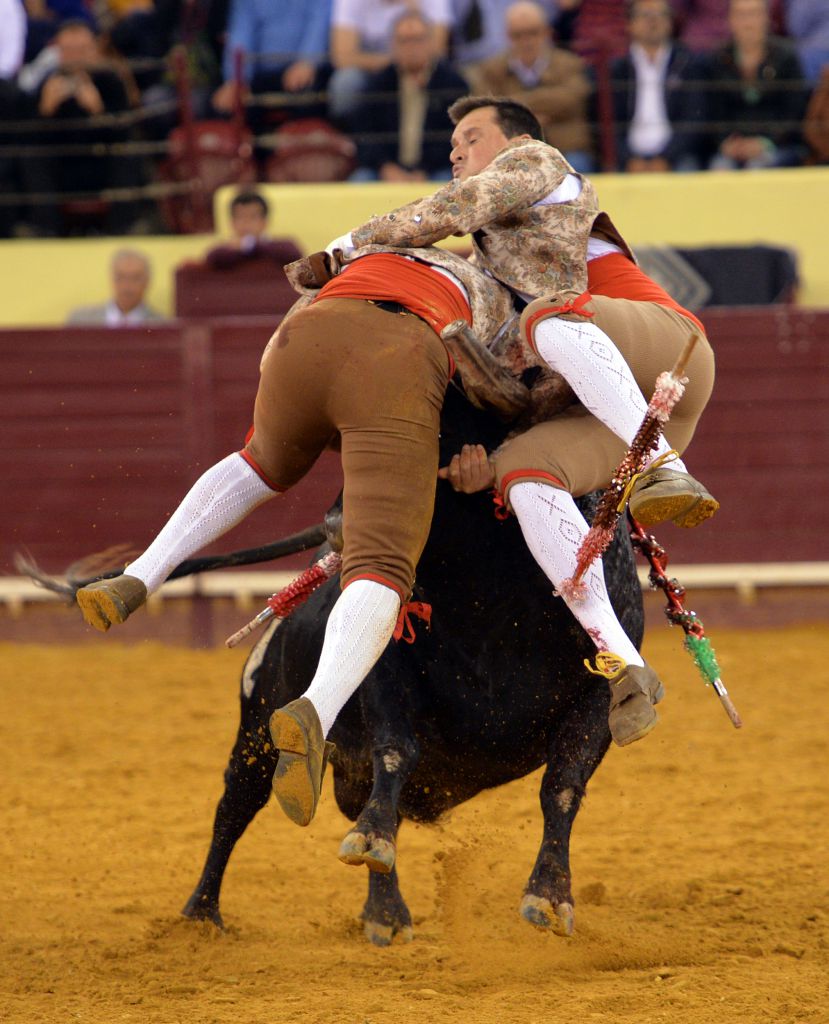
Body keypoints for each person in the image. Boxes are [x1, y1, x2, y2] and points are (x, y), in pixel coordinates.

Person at [75, 240, 517, 828]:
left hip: (301, 338)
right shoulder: (490, 288)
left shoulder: (367, 251)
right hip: (396, 356)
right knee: (382, 562)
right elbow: (498, 388)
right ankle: (316, 707)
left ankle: (140, 574)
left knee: (257, 462)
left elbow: (280, 338)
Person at [327, 95, 717, 747]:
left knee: (547, 315)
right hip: (605, 405)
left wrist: (346, 246)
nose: (455, 152)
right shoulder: (492, 267)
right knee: (525, 475)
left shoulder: (538, 165)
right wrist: (478, 465)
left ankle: (663, 469)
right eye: (450, 144)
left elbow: (450, 210)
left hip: (665, 349)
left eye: (470, 137)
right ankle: (622, 659)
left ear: (512, 141)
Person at [18, 19, 144, 236]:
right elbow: (29, 138)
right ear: (58, 51)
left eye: (81, 50)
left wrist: (98, 112)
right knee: (30, 158)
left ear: (93, 49)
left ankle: (123, 228)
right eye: (69, 50)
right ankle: (45, 230)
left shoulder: (110, 81)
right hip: (61, 167)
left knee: (128, 156)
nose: (76, 57)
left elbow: (124, 133)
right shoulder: (46, 83)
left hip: (99, 164)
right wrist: (45, 111)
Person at [349, 10, 468, 182]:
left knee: (452, 181)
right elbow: (364, 134)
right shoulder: (378, 84)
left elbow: (455, 136)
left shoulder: (452, 84)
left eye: (418, 39)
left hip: (436, 169)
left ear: (430, 43)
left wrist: (424, 171)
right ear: (393, 45)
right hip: (386, 169)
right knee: (360, 181)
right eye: (404, 41)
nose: (411, 47)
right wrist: (386, 167)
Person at [477, 0, 595, 171]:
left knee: (577, 166)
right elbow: (486, 109)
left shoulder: (569, 64)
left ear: (547, 32)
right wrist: (541, 109)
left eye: (533, 33)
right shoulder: (492, 70)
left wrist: (515, 108)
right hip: (510, 155)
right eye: (518, 35)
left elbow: (572, 99)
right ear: (507, 36)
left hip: (565, 149)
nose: (526, 41)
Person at [703, 0, 810, 170]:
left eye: (754, 14)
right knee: (720, 167)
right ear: (730, 20)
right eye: (741, 15)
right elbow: (711, 112)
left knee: (758, 166)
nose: (748, 22)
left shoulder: (786, 58)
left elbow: (794, 113)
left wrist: (765, 142)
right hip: (732, 148)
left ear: (767, 18)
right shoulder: (718, 60)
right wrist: (727, 142)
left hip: (779, 145)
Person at [610, 0, 707, 172]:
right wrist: (628, 159)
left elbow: (693, 118)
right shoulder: (616, 70)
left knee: (690, 169)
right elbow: (608, 124)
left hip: (677, 157)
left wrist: (666, 157)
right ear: (630, 24)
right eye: (645, 15)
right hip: (628, 159)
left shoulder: (686, 64)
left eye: (659, 15)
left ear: (670, 22)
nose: (652, 21)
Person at [328, 0, 452, 121]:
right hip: (371, 71)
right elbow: (342, 58)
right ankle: (350, 132)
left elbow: (437, 49)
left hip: (421, 68)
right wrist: (397, 61)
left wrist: (415, 11)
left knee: (441, 78)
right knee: (347, 81)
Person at [204, 190, 302, 269]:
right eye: (240, 217)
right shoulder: (226, 251)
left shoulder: (279, 249)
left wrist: (249, 244)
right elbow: (212, 258)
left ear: (264, 222)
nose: (246, 222)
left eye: (253, 217)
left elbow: (294, 254)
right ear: (232, 223)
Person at [67, 248, 164, 325]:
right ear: (112, 279)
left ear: (147, 282)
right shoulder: (81, 321)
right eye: (121, 277)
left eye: (136, 278)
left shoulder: (162, 326)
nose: (127, 286)